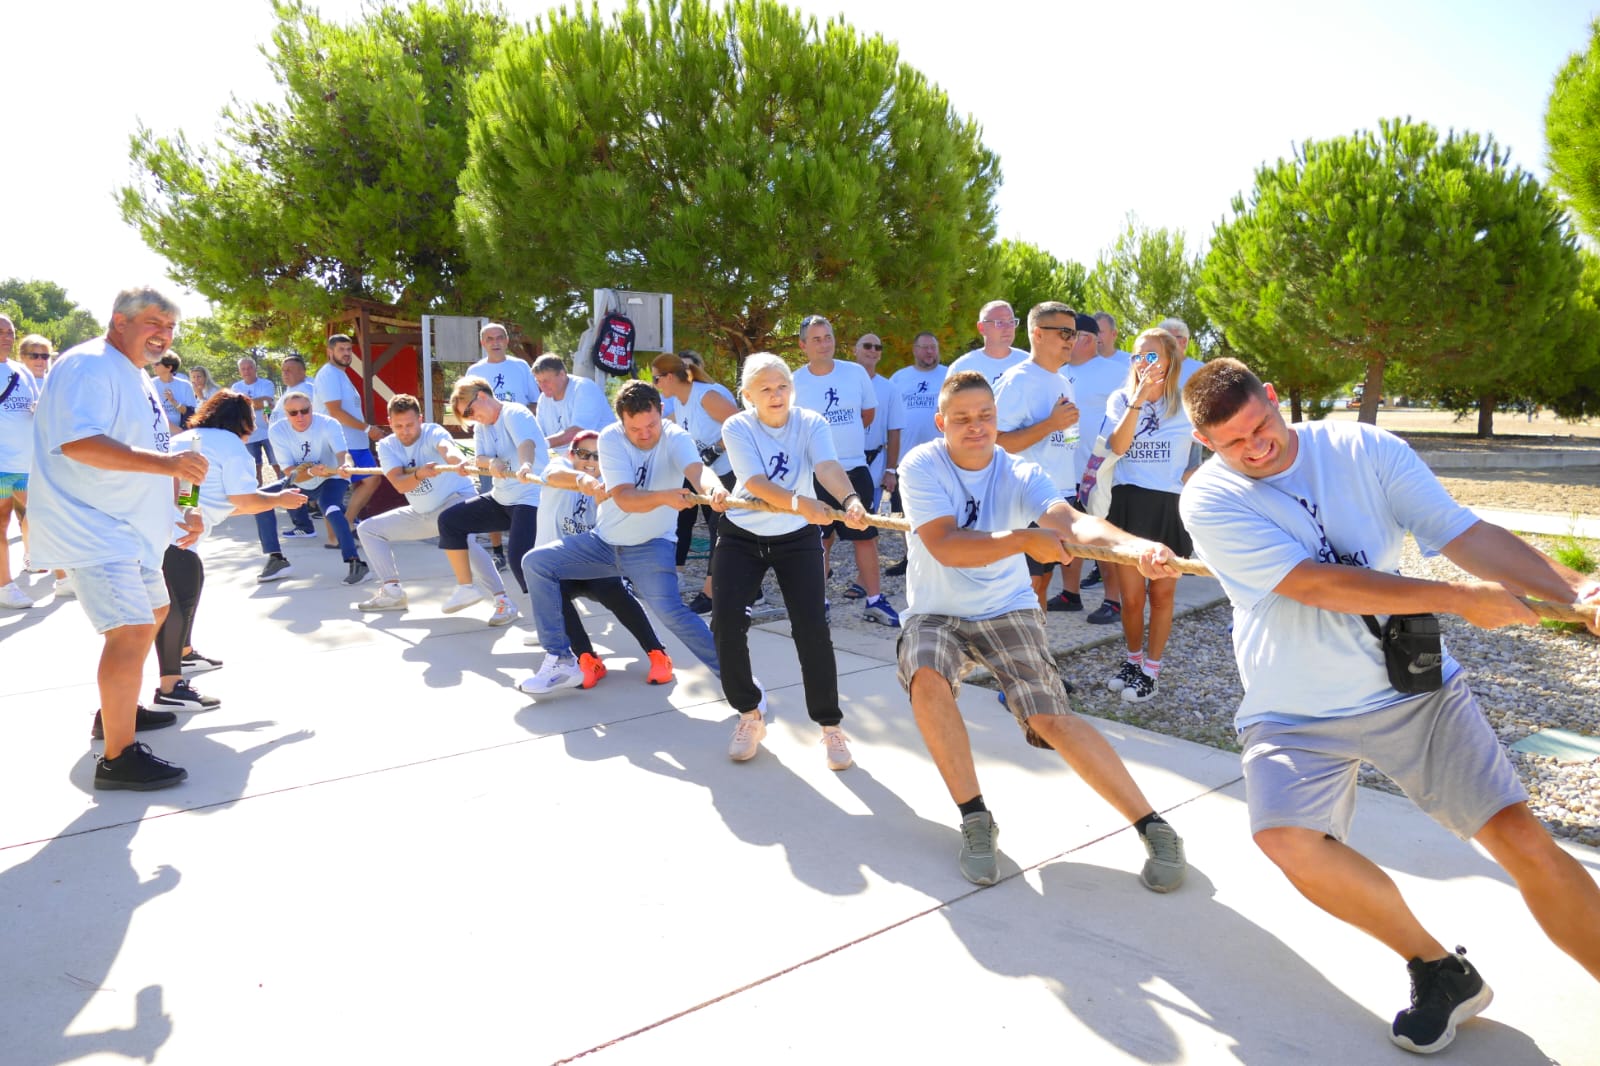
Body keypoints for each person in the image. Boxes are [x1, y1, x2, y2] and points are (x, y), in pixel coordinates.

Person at [1180, 358, 1600, 1054]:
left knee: (1522, 841)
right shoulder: (1209, 499)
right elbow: (1317, 585)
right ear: (1205, 443)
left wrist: (1579, 589)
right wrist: (1460, 600)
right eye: (1233, 443)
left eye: (1261, 426)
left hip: (1413, 691)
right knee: (1286, 839)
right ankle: (1438, 970)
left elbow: (1462, 532)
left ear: (1274, 398)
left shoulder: (1363, 449)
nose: (1256, 448)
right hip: (1294, 708)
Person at [897, 369, 1189, 890]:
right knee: (926, 676)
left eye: (985, 416)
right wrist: (1021, 539)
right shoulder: (921, 465)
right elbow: (944, 545)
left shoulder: (1019, 470)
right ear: (941, 423)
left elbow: (1071, 522)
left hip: (1006, 608)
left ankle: (1154, 826)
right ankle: (976, 818)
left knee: (1051, 718)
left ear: (996, 417)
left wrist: (1135, 547)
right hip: (937, 610)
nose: (975, 426)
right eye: (961, 419)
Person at [29, 286, 209, 790]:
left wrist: (184, 507)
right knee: (130, 629)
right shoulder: (89, 364)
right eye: (154, 322)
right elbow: (79, 443)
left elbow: (155, 451)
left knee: (154, 611)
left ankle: (117, 714)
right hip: (91, 524)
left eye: (170, 327)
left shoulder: (137, 375)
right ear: (120, 321)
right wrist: (169, 465)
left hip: (130, 530)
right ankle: (117, 758)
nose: (163, 334)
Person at [518, 381, 724, 695]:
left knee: (671, 612)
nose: (645, 434)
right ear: (621, 422)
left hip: (652, 545)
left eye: (651, 425)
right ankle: (561, 658)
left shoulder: (676, 437)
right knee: (535, 563)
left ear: (661, 411)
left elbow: (698, 471)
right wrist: (665, 496)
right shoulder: (611, 438)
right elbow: (626, 499)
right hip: (603, 543)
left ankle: (737, 679)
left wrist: (714, 489)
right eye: (635, 428)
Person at [713, 352, 866, 768]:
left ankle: (831, 727)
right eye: (765, 388)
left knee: (812, 628)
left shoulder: (811, 422)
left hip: (797, 536)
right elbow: (755, 482)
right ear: (748, 395)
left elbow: (828, 466)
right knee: (726, 623)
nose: (775, 394)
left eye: (782, 386)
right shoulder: (737, 426)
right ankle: (749, 715)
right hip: (742, 534)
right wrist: (802, 503)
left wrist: (849, 499)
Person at [161, 391, 307, 711]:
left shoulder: (187, 438)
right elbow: (245, 501)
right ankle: (170, 688)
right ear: (242, 421)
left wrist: (270, 499)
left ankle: (184, 655)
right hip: (174, 538)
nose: (252, 428)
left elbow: (216, 502)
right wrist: (280, 500)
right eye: (251, 420)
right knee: (177, 605)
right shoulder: (230, 445)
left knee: (188, 588)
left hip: (158, 532)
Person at [535, 428, 671, 688]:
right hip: (558, 567)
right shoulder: (560, 468)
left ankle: (658, 653)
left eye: (598, 456)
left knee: (614, 589)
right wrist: (582, 480)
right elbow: (553, 475)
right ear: (571, 454)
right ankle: (587, 659)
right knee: (551, 592)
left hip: (594, 566)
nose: (590, 461)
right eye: (583, 453)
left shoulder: (616, 484)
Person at [1102, 329, 1195, 703]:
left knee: (1161, 594)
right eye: (1137, 356)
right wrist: (1138, 399)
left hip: (1168, 506)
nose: (1143, 363)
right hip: (1128, 503)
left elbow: (1221, 445)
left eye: (1152, 356)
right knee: (1131, 598)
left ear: (1170, 360)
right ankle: (1133, 660)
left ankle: (1151, 671)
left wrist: (1193, 475)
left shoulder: (1186, 403)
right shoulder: (1121, 399)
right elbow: (1118, 446)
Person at [791, 315, 898, 626]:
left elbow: (868, 413)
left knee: (866, 536)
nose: (824, 344)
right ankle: (818, 603)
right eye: (816, 339)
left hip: (854, 467)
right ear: (803, 345)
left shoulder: (855, 373)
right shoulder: (794, 381)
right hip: (814, 474)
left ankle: (875, 601)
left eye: (828, 337)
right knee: (819, 540)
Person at [355, 393, 498, 614]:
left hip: (457, 499)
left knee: (461, 536)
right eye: (398, 426)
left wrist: (459, 462)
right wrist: (419, 475)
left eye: (410, 425)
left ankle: (502, 600)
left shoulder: (433, 432)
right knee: (368, 529)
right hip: (423, 512)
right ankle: (392, 592)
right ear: (390, 422)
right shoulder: (386, 445)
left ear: (420, 419)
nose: (405, 431)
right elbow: (400, 485)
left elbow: (448, 449)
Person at [993, 302, 1083, 612]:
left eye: (1074, 334)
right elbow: (995, 443)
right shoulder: (1017, 380)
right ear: (1037, 334)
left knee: (1042, 582)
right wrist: (1051, 424)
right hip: (1024, 498)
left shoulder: (1063, 381)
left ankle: (1037, 642)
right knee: (1025, 587)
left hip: (1058, 496)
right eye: (1064, 333)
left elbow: (1065, 442)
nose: (1071, 340)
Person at [434, 376, 544, 626]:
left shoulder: (514, 413)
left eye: (470, 411)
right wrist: (489, 462)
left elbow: (526, 444)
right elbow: (481, 457)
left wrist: (526, 465)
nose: (472, 418)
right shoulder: (482, 427)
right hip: (501, 498)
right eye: (467, 416)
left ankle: (551, 624)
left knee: (520, 559)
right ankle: (466, 587)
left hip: (530, 497)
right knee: (450, 521)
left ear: (482, 396)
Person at [651, 352, 738, 614]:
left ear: (669, 377)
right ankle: (749, 591)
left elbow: (742, 425)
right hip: (708, 476)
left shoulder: (706, 395)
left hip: (731, 472)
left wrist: (716, 448)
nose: (656, 385)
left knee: (719, 530)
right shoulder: (681, 401)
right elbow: (664, 426)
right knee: (719, 530)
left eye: (656, 379)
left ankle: (711, 594)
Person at [259, 396, 370, 585]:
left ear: (312, 408)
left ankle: (356, 563)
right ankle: (276, 559)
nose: (300, 416)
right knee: (262, 499)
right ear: (286, 414)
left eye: (305, 411)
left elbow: (343, 454)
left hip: (331, 478)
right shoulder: (277, 430)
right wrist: (311, 472)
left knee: (330, 507)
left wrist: (346, 466)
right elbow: (290, 472)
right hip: (300, 479)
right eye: (293, 413)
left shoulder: (328, 423)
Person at [1072, 312, 1134, 621]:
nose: (1066, 341)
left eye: (1070, 335)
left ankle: (1113, 601)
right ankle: (1070, 594)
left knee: (1103, 538)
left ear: (1087, 338)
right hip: (1066, 471)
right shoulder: (1059, 371)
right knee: (1070, 535)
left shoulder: (1116, 372)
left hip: (1101, 472)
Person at [464, 322, 537, 570]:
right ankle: (498, 551)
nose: (495, 342)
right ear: (482, 343)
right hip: (489, 439)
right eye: (489, 338)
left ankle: (527, 549)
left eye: (499, 337)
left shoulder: (520, 366)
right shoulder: (475, 370)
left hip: (518, 436)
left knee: (525, 492)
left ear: (506, 341)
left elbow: (534, 401)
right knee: (491, 493)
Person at [881, 330, 947, 576]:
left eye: (933, 347)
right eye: (925, 347)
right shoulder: (900, 378)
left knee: (942, 509)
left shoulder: (949, 375)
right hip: (905, 459)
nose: (930, 352)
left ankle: (942, 556)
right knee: (905, 510)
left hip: (942, 457)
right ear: (914, 350)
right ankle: (911, 557)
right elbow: (888, 416)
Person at [313, 333, 386, 530]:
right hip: (341, 443)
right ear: (330, 352)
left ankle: (346, 526)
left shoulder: (340, 374)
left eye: (349, 349)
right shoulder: (328, 374)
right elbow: (335, 411)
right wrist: (367, 428)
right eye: (341, 349)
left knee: (370, 481)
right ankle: (338, 534)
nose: (346, 353)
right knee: (337, 490)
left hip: (355, 442)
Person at [0, 315, 42, 609]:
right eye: (0, 332)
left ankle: (60, 573)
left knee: (43, 515)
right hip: (1, 463)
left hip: (26, 462)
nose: (6, 336)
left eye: (10, 332)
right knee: (2, 521)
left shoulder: (21, 371)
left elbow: (34, 405)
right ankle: (5, 585)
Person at [532, 353, 616, 450]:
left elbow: (578, 432)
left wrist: (542, 444)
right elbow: (538, 433)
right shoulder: (543, 399)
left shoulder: (585, 388)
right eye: (538, 381)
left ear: (562, 374)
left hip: (603, 453)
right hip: (568, 456)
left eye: (546, 381)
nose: (542, 386)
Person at [947, 300, 1029, 385]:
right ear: (981, 327)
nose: (1008, 328)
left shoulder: (1028, 363)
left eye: (1011, 322)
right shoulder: (962, 367)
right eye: (1000, 323)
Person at [231, 356, 280, 482]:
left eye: (250, 368)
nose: (247, 371)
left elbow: (267, 402)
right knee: (254, 468)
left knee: (277, 464)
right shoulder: (235, 387)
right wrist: (259, 402)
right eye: (243, 369)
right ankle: (258, 491)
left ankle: (286, 489)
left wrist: (244, 403)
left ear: (255, 368)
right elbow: (236, 407)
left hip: (268, 431)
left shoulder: (266, 384)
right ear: (239, 371)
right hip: (249, 434)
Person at [150, 353, 195, 438]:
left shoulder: (185, 385)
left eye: (157, 363)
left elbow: (190, 413)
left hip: (180, 435)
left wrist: (173, 401)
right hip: (156, 435)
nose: (153, 365)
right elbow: (148, 411)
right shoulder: (150, 384)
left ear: (169, 367)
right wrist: (173, 428)